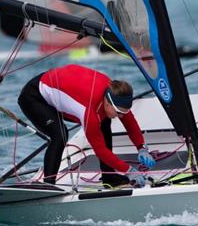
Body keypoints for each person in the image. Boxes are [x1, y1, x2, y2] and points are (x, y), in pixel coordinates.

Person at [18, 64, 157, 187]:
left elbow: (129, 121)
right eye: (119, 112)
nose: (121, 115)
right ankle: (48, 184)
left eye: (124, 112)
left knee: (105, 121)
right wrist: (129, 170)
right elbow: (100, 150)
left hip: (59, 88)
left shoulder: (114, 93)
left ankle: (110, 177)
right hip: (35, 96)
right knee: (60, 135)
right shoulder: (90, 111)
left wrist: (141, 148)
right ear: (107, 103)